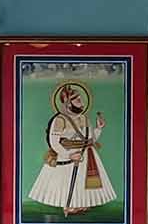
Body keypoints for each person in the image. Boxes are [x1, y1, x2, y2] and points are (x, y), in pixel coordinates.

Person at [26, 80, 119, 215]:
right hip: (66, 156)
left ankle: (80, 205)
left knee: (82, 182)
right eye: (77, 99)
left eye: (80, 98)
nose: (81, 101)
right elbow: (54, 142)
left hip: (86, 156)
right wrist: (69, 155)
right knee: (66, 181)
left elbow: (90, 140)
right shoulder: (60, 120)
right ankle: (68, 206)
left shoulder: (84, 118)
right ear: (68, 103)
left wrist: (99, 128)